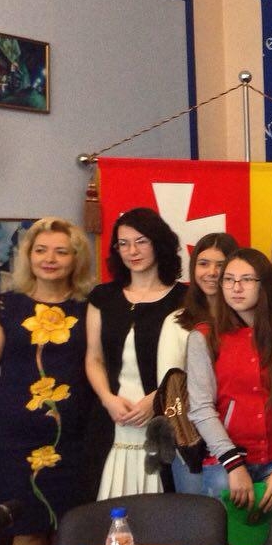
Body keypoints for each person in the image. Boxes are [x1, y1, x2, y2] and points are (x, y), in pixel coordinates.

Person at [0, 218, 95, 545]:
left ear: (76, 259)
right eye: (41, 250)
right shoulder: (5, 306)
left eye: (61, 252)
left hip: (76, 441)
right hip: (13, 443)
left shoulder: (89, 308)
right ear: (28, 256)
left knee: (75, 531)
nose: (49, 259)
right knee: (27, 530)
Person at [187, 249, 272, 545]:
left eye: (246, 280)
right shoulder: (204, 336)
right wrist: (233, 464)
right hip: (224, 467)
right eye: (228, 280)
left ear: (264, 285)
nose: (236, 288)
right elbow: (200, 408)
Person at [85, 207, 186, 500]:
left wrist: (156, 399)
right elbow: (93, 358)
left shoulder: (185, 298)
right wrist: (108, 399)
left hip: (163, 420)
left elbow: (191, 366)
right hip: (111, 418)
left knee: (160, 510)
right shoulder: (102, 297)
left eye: (141, 241)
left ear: (158, 243)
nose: (132, 251)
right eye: (123, 243)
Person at [156, 231, 239, 494]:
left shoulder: (247, 321)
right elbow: (171, 392)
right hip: (192, 444)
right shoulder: (177, 323)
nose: (212, 272)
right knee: (196, 516)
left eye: (220, 264)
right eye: (204, 264)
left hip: (241, 441)